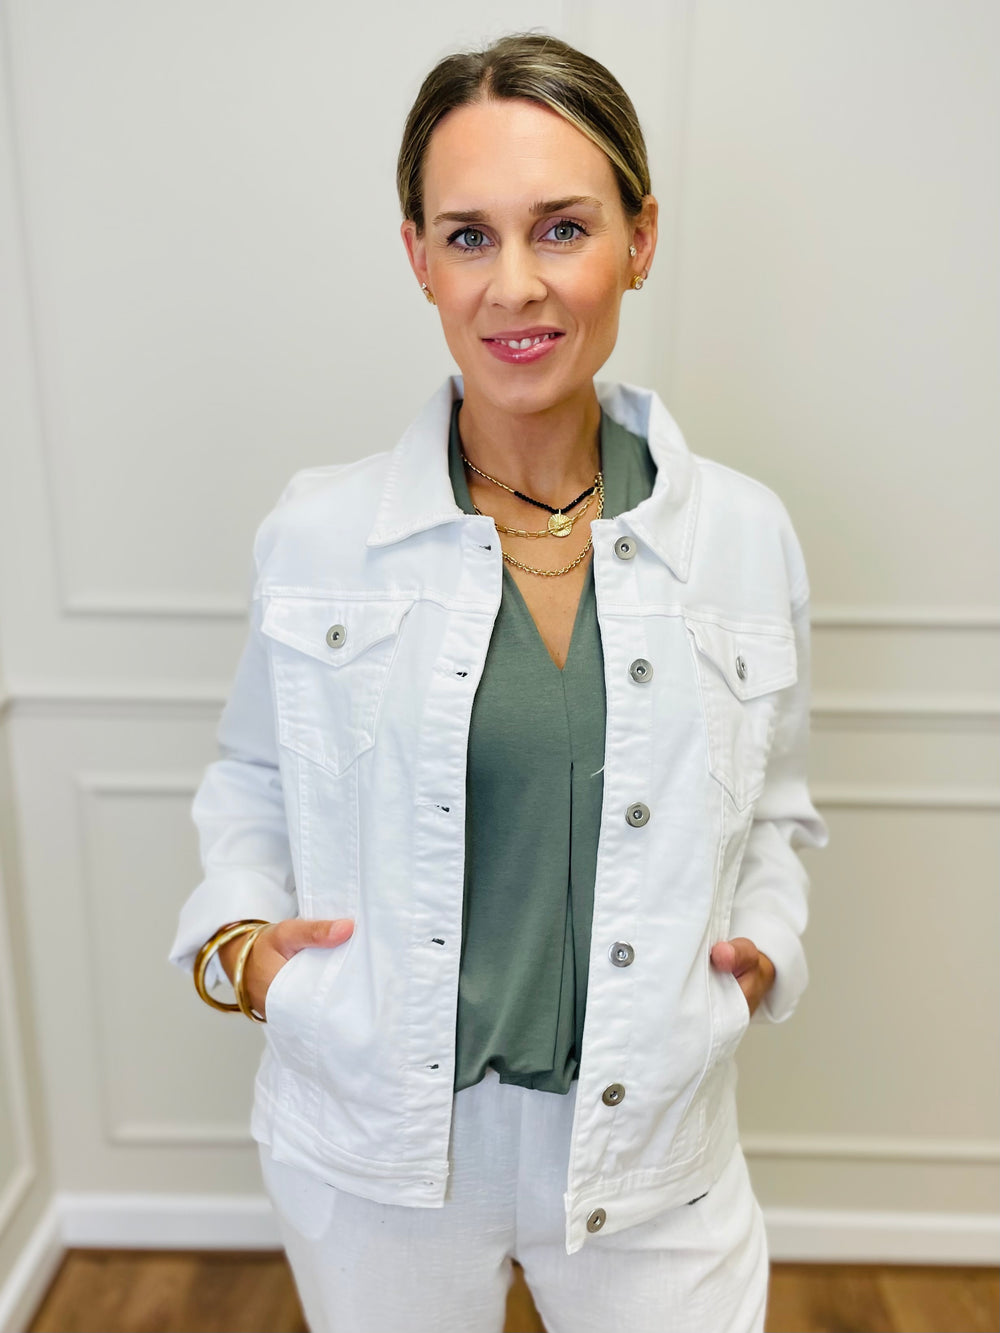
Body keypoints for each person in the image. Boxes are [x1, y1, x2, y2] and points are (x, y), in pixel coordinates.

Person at [170, 31, 827, 1333]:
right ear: (418, 256)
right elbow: (252, 779)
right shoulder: (319, 534)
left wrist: (764, 950)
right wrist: (240, 952)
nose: (515, 285)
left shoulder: (744, 536)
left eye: (563, 228)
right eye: (469, 236)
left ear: (640, 239)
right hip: (380, 1145)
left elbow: (776, 807)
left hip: (655, 1144)